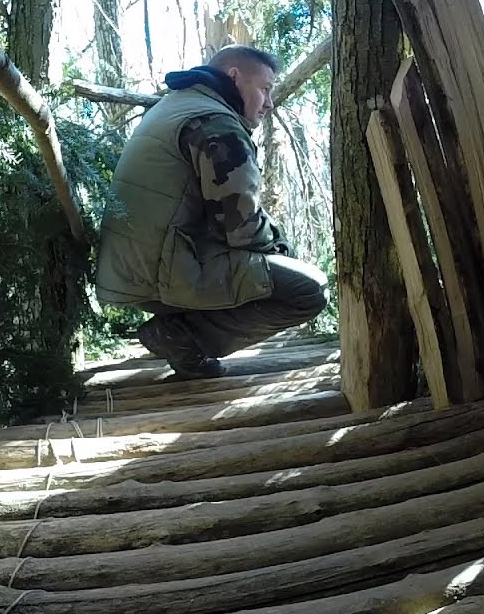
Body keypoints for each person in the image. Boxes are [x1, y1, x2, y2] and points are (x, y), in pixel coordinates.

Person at [95, 44, 329, 379]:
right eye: (264, 89)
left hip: (130, 272)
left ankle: (180, 332)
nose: (269, 102)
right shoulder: (216, 123)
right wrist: (283, 250)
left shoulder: (176, 105)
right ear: (234, 77)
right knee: (309, 289)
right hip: (159, 275)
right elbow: (242, 228)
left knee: (272, 266)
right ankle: (181, 337)